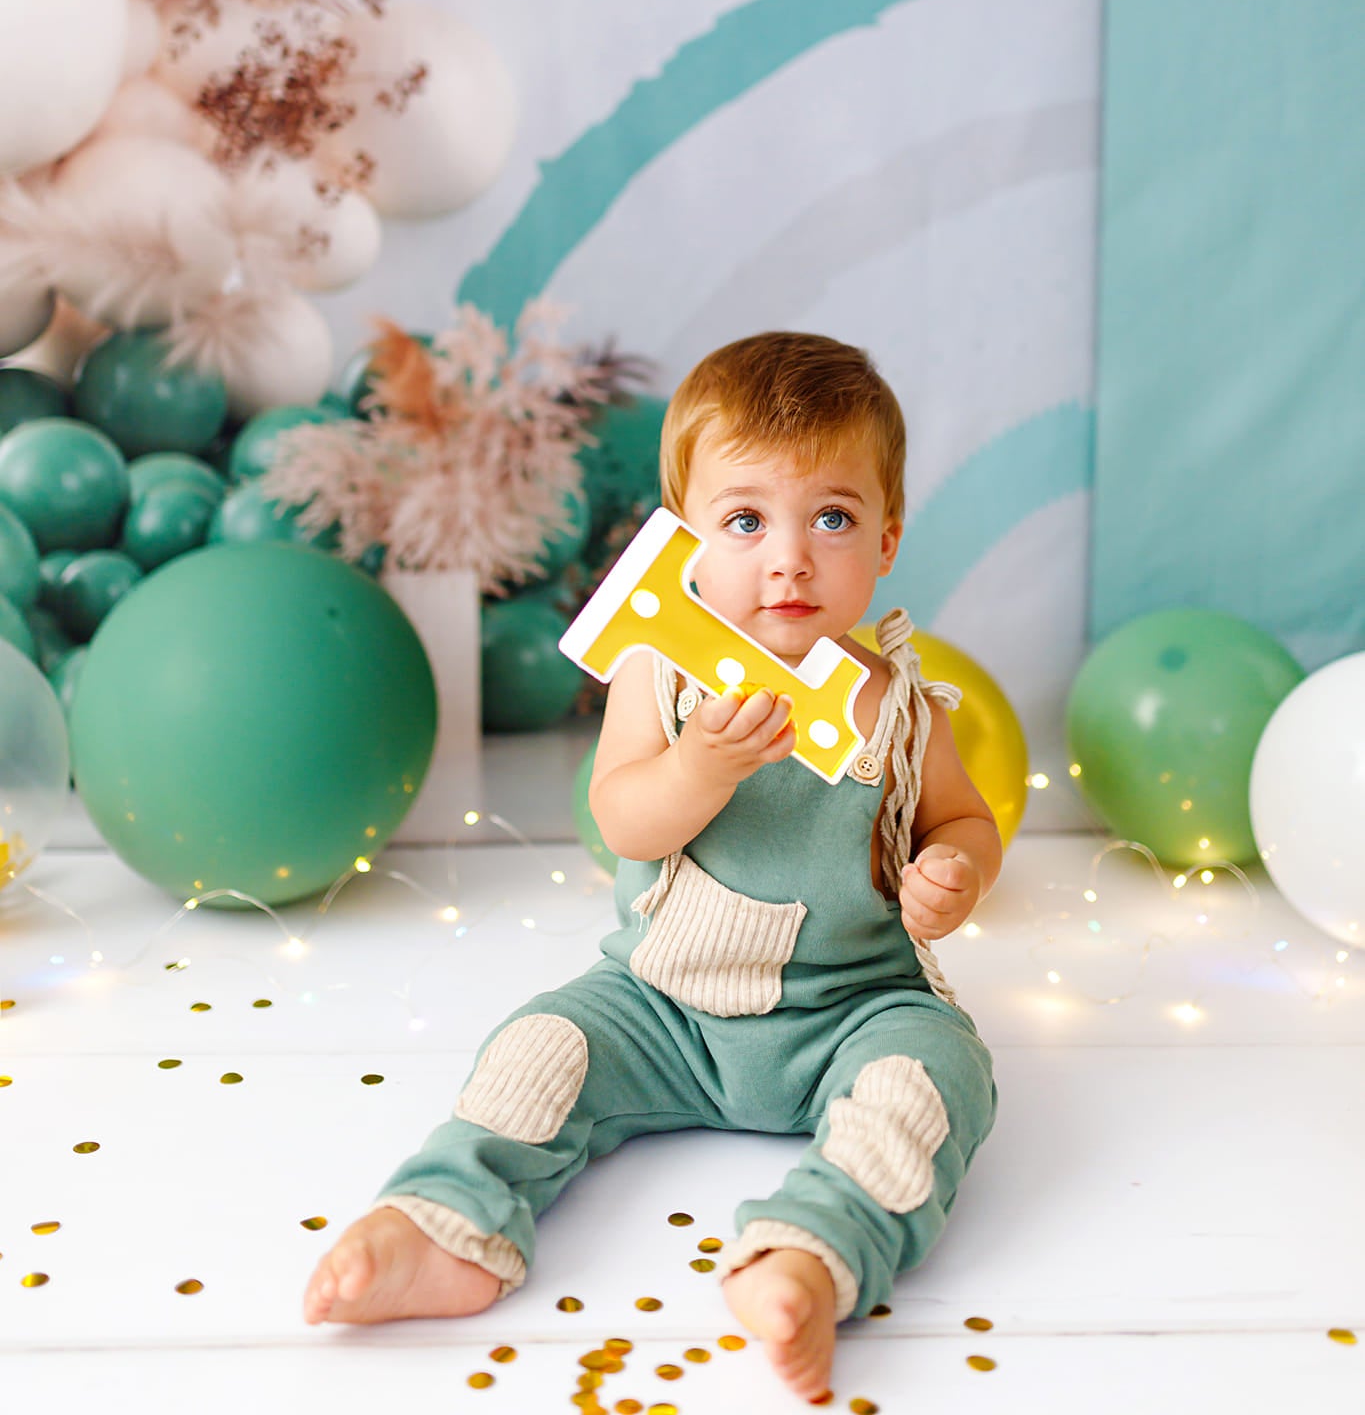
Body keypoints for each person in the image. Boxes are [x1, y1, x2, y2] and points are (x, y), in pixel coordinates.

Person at [305, 331, 1001, 1403]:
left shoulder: (896, 703)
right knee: (540, 1046)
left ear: (887, 537)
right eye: (745, 519)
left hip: (850, 1008)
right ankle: (445, 1218)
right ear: (683, 542)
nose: (790, 557)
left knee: (933, 1076)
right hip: (660, 1004)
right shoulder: (663, 673)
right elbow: (625, 817)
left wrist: (953, 864)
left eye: (832, 516)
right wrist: (700, 764)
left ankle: (813, 1251)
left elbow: (963, 816)